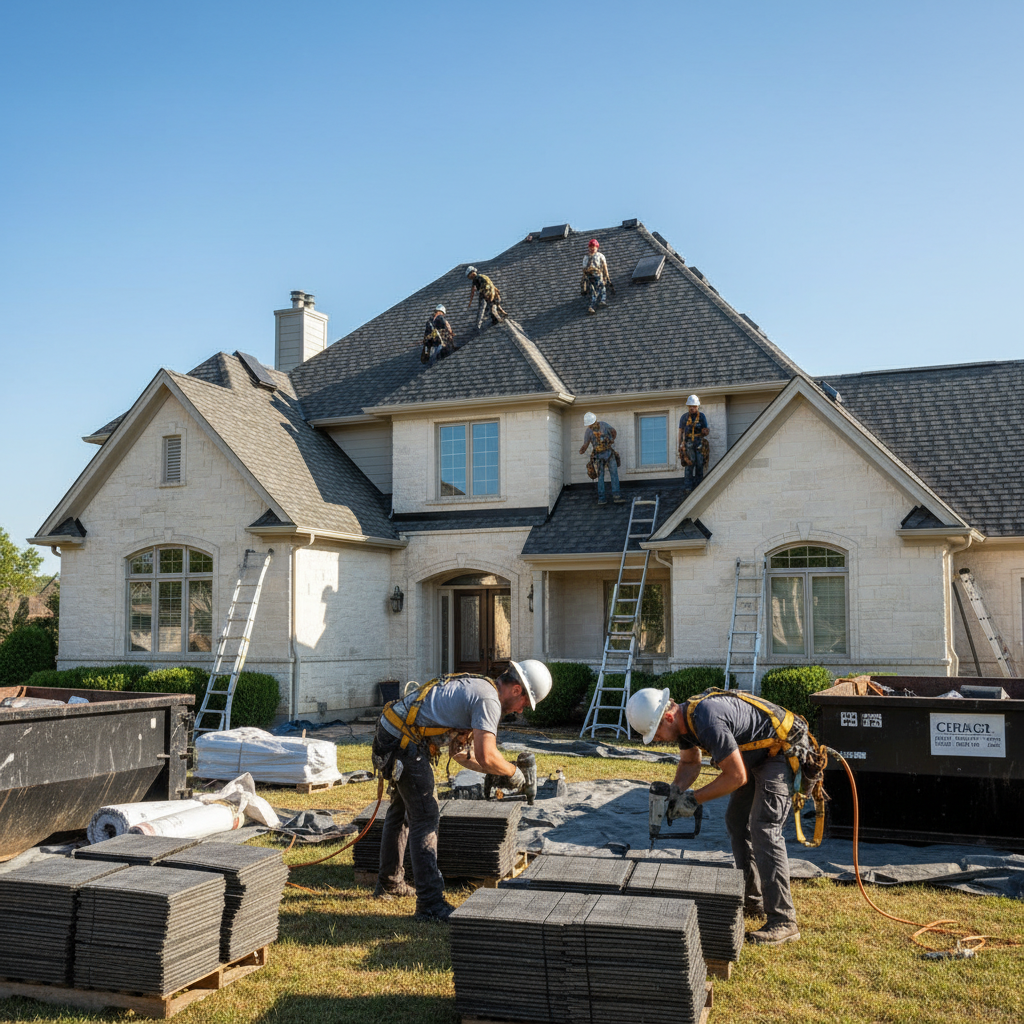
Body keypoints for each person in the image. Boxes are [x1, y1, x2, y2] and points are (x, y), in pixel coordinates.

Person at [371, 659, 553, 922]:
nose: (522, 710)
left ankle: (389, 883)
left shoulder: (480, 687)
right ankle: (430, 905)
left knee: (401, 810)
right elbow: (487, 754)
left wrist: (498, 771)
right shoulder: (489, 700)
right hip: (403, 742)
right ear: (517, 690)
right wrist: (514, 773)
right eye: (526, 703)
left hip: (394, 733)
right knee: (425, 817)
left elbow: (460, 754)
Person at [625, 686, 802, 945]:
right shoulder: (684, 722)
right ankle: (752, 901)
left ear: (669, 717)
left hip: (781, 752)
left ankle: (784, 920)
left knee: (763, 826)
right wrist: (675, 793)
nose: (658, 739)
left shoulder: (707, 721)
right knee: (735, 821)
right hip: (756, 756)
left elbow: (736, 777)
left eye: (656, 732)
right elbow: (689, 763)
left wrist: (693, 800)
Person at [579, 411, 623, 504]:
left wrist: (582, 450)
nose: (590, 426)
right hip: (603, 454)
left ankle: (604, 497)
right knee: (610, 475)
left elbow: (586, 444)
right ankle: (613, 496)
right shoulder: (602, 425)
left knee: (604, 476)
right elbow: (613, 432)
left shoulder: (593, 429)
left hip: (602, 454)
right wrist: (611, 440)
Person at [677, 395, 709, 495]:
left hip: (699, 443)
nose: (692, 408)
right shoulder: (684, 417)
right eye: (690, 406)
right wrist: (680, 445)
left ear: (697, 406)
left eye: (694, 406)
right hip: (688, 444)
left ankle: (699, 485)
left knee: (700, 463)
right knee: (689, 464)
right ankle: (688, 487)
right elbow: (680, 432)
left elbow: (706, 430)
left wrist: (705, 431)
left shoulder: (702, 416)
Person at [580, 238, 611, 314]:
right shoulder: (600, 256)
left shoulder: (586, 257)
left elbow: (584, 268)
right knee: (600, 287)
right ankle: (600, 302)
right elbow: (604, 267)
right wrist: (607, 277)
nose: (592, 249)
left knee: (594, 290)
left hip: (589, 276)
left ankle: (593, 305)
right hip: (596, 274)